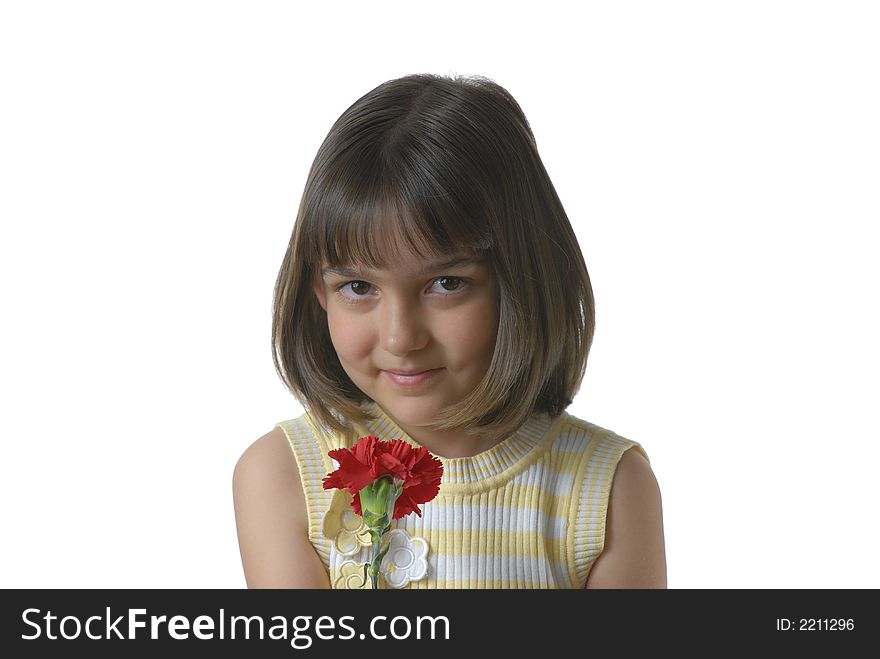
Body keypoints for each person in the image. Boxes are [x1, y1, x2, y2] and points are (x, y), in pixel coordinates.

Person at [232, 73, 667, 589]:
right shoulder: (284, 476)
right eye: (357, 287)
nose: (400, 338)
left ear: (524, 279)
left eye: (446, 283)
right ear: (318, 292)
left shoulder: (607, 490)